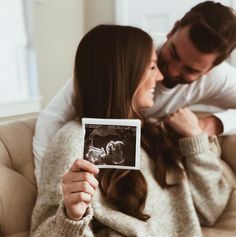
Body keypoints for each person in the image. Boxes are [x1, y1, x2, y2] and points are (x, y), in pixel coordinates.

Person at [30, 24, 232, 237]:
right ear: (126, 73)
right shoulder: (74, 139)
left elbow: (210, 208)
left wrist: (195, 138)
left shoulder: (158, 135)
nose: (162, 76)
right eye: (152, 67)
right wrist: (71, 215)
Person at [32, 1, 236, 185]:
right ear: (173, 30)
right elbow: (52, 118)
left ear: (210, 70)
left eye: (190, 70)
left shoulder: (218, 78)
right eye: (173, 53)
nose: (170, 72)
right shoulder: (131, 54)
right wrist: (48, 189)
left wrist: (209, 124)